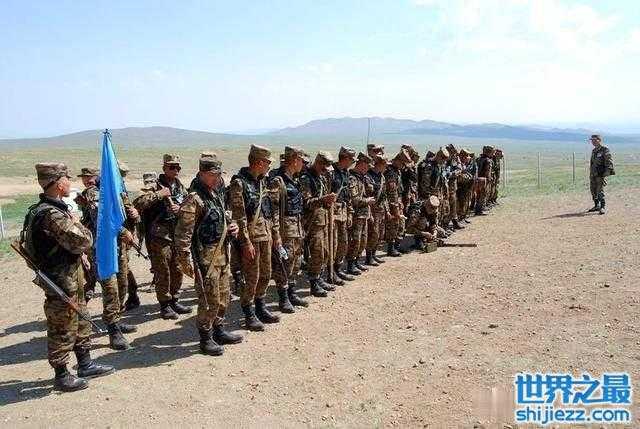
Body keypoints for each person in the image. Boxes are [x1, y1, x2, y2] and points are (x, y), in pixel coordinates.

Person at [22, 163, 114, 391]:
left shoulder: (51, 209)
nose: (70, 182)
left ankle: (85, 363)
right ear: (56, 183)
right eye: (66, 178)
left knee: (81, 319)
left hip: (70, 277)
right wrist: (77, 222)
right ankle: (62, 375)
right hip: (61, 280)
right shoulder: (52, 214)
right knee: (62, 326)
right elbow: (84, 240)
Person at [175, 153, 243, 356]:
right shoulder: (194, 199)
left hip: (222, 254)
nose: (217, 178)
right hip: (205, 259)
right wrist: (186, 263)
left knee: (224, 295)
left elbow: (222, 219)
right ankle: (205, 338)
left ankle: (218, 330)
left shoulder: (215, 195)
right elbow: (183, 235)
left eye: (219, 174)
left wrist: (233, 227)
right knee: (209, 299)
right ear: (202, 173)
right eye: (213, 175)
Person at [74, 167, 136, 350]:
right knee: (110, 288)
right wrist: (123, 231)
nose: (88, 180)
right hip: (102, 248)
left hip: (118, 246)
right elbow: (100, 217)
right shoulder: (94, 193)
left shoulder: (113, 191)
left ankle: (117, 318)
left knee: (123, 284)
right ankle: (113, 330)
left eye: (90, 177)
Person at [228, 145, 281, 331]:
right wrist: (245, 242)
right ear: (259, 162)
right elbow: (239, 216)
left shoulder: (262, 182)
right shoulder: (239, 183)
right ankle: (249, 313)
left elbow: (270, 210)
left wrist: (275, 234)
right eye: (267, 163)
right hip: (251, 238)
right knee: (251, 277)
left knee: (265, 274)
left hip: (265, 235)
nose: (269, 166)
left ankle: (260, 307)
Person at [133, 154, 191, 319]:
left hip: (176, 234)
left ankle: (174, 299)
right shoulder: (154, 185)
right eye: (172, 167)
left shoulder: (180, 186)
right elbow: (139, 202)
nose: (175, 170)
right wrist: (159, 194)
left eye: (178, 167)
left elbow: (188, 204)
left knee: (177, 269)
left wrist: (180, 208)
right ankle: (165, 305)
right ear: (164, 168)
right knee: (163, 271)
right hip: (159, 236)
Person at [268, 146, 310, 312]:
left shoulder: (294, 179)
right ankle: (283, 298)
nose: (303, 164)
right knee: (284, 262)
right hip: (285, 228)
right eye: (301, 160)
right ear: (294, 160)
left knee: (296, 260)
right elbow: (273, 210)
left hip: (297, 226)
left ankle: (292, 293)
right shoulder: (278, 181)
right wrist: (276, 234)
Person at [299, 151, 336, 296]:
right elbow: (307, 202)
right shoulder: (306, 178)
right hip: (312, 222)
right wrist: (323, 200)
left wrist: (328, 201)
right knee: (317, 252)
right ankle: (313, 282)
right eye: (324, 168)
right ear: (318, 163)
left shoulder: (321, 177)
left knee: (325, 251)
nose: (325, 171)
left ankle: (319, 277)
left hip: (323, 220)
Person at [330, 147, 356, 282]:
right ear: (345, 159)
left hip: (344, 211)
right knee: (333, 243)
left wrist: (350, 213)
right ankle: (330, 273)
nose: (352, 163)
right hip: (333, 213)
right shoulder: (331, 172)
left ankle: (338, 268)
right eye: (351, 160)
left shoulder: (346, 172)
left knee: (343, 242)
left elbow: (348, 195)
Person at [345, 152, 374, 275]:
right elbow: (354, 199)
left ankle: (356, 261)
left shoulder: (362, 178)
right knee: (355, 241)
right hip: (356, 215)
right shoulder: (352, 178)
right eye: (367, 166)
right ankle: (350, 265)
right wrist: (367, 201)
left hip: (364, 214)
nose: (367, 169)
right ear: (361, 164)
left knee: (363, 240)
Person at [384, 149, 412, 256]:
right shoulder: (391, 172)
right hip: (392, 203)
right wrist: (395, 207)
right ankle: (391, 249)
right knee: (393, 225)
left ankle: (397, 246)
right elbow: (392, 192)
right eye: (402, 163)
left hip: (398, 201)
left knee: (400, 225)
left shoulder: (397, 171)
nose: (403, 166)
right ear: (398, 161)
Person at [364, 154, 388, 266]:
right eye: (385, 165)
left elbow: (384, 195)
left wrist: (387, 210)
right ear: (379, 164)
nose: (386, 168)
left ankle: (374, 254)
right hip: (372, 209)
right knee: (373, 233)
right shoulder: (368, 176)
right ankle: (368, 257)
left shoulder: (382, 177)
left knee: (380, 234)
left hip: (381, 209)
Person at [588, 135, 615, 215]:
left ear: (599, 140)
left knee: (600, 190)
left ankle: (602, 207)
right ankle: (596, 205)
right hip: (593, 174)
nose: (593, 142)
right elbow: (592, 163)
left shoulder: (604, 149)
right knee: (593, 190)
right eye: (592, 140)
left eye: (595, 140)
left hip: (600, 174)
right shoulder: (594, 150)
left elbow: (609, 161)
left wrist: (608, 171)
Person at [474, 146, 494, 215]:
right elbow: (487, 171)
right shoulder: (488, 160)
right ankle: (480, 210)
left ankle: (478, 209)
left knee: (478, 195)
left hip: (478, 179)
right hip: (484, 180)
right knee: (483, 194)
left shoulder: (478, 159)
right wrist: (489, 179)